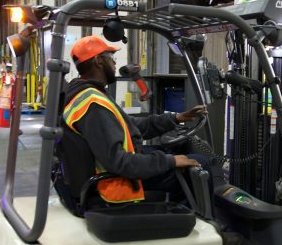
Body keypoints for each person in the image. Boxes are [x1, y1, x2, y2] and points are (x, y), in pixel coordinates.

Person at [62, 35, 208, 205]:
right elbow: (119, 162)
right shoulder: (93, 104)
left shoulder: (89, 92)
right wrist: (170, 161)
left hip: (118, 167)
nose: (115, 63)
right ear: (98, 61)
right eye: (111, 57)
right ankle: (191, 220)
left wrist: (175, 118)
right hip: (115, 180)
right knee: (199, 163)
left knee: (179, 151)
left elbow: (130, 126)